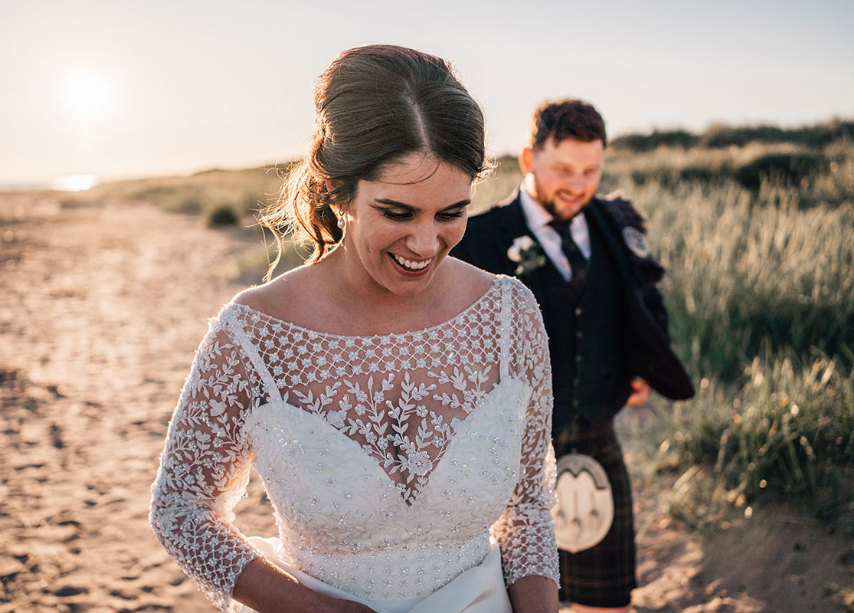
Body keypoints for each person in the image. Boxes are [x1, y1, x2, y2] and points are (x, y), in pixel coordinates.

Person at [150, 45, 561, 613]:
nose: (425, 244)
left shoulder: (509, 317)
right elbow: (181, 509)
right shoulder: (253, 336)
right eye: (397, 212)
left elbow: (530, 509)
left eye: (450, 213)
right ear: (339, 190)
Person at [451, 99, 694, 612]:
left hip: (594, 437)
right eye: (563, 169)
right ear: (527, 160)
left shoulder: (615, 224)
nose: (578, 184)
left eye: (591, 171)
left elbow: (645, 297)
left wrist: (642, 363)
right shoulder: (477, 238)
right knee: (514, 598)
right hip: (505, 457)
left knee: (607, 600)